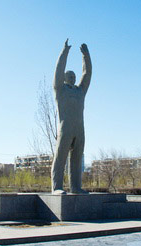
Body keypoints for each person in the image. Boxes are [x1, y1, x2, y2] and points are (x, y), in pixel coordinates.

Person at [51, 39, 92, 194]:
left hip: (79, 129)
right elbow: (58, 69)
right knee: (60, 158)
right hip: (65, 128)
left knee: (76, 159)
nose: (73, 78)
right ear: (64, 78)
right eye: (70, 75)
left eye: (74, 76)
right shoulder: (60, 89)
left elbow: (87, 74)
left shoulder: (80, 91)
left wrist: (86, 56)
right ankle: (57, 187)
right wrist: (65, 52)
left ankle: (75, 187)